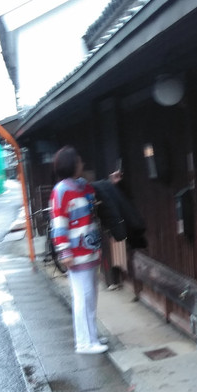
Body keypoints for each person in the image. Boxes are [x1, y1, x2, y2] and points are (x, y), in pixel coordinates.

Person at [50, 146, 121, 354]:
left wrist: (112, 182)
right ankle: (83, 342)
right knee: (82, 297)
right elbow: (59, 223)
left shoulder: (82, 186)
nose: (82, 164)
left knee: (91, 296)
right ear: (71, 164)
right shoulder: (61, 191)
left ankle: (91, 336)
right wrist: (64, 251)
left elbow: (99, 191)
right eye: (79, 161)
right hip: (75, 253)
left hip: (90, 250)